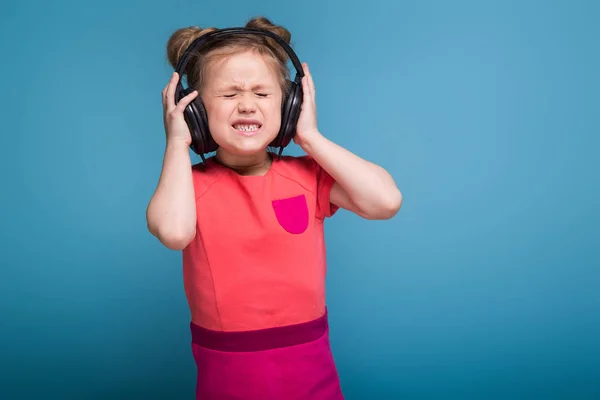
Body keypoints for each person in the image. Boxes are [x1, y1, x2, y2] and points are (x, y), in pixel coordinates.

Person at [146, 16, 402, 400]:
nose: (247, 105)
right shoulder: (190, 185)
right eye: (229, 95)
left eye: (263, 94)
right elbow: (173, 231)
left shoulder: (308, 175)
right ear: (195, 111)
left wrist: (311, 137)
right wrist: (176, 144)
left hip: (309, 365)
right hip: (229, 372)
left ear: (291, 104)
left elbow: (385, 202)